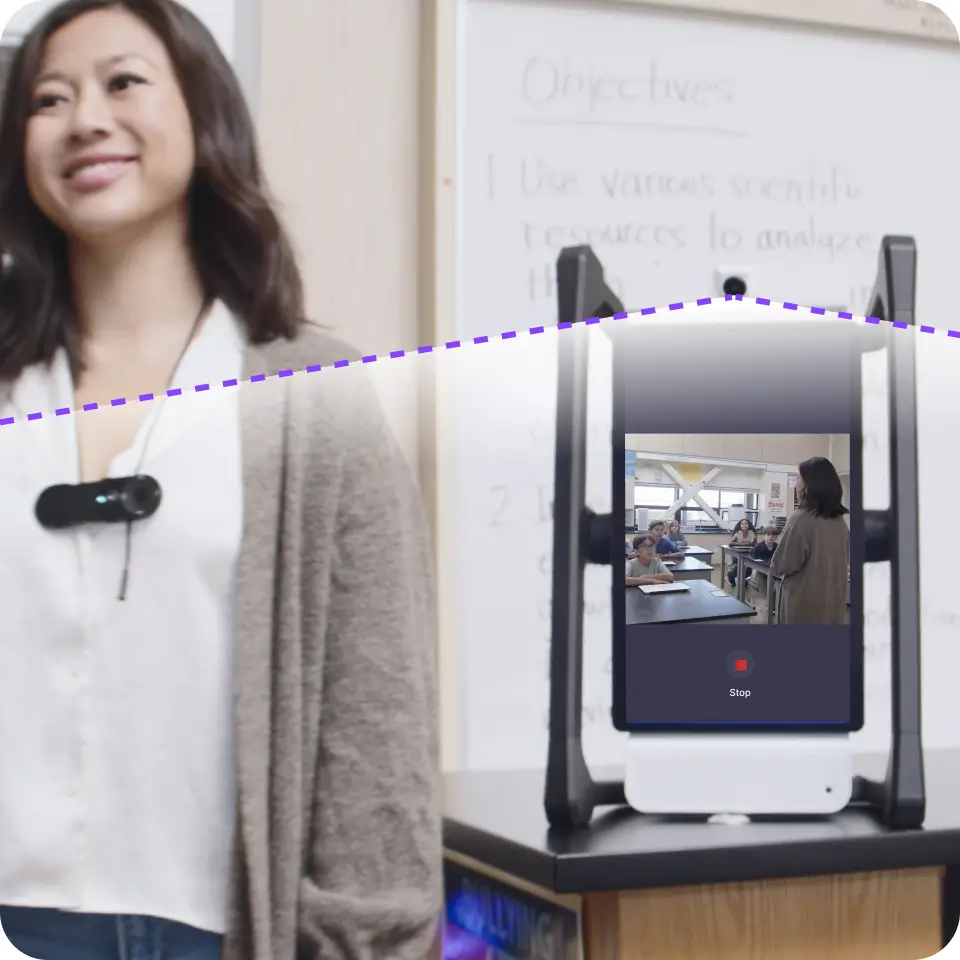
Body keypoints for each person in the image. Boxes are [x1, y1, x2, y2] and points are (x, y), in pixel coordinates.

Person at [0, 2, 441, 959]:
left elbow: (376, 724)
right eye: (48, 99)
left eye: (123, 82)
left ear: (204, 117)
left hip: (223, 931)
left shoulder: (312, 396)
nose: (85, 120)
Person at [771, 457, 850, 625]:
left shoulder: (801, 520)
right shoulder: (840, 522)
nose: (795, 483)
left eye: (798, 477)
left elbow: (781, 565)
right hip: (833, 607)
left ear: (809, 484)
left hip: (804, 608)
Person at [745, 525, 779, 592]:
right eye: (768, 535)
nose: (770, 537)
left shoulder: (777, 547)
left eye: (773, 535)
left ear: (776, 537)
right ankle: (769, 597)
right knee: (767, 585)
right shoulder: (758, 547)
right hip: (758, 570)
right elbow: (752, 562)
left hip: (772, 570)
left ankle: (775, 596)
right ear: (764, 536)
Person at [726, 518, 757, 587]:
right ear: (740, 526)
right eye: (742, 524)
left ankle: (744, 580)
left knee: (749, 565)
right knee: (742, 563)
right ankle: (732, 574)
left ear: (749, 525)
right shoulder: (738, 533)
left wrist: (741, 543)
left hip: (748, 553)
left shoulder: (751, 533)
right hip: (737, 554)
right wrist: (742, 544)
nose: (744, 525)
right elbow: (730, 543)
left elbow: (753, 544)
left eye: (746, 524)